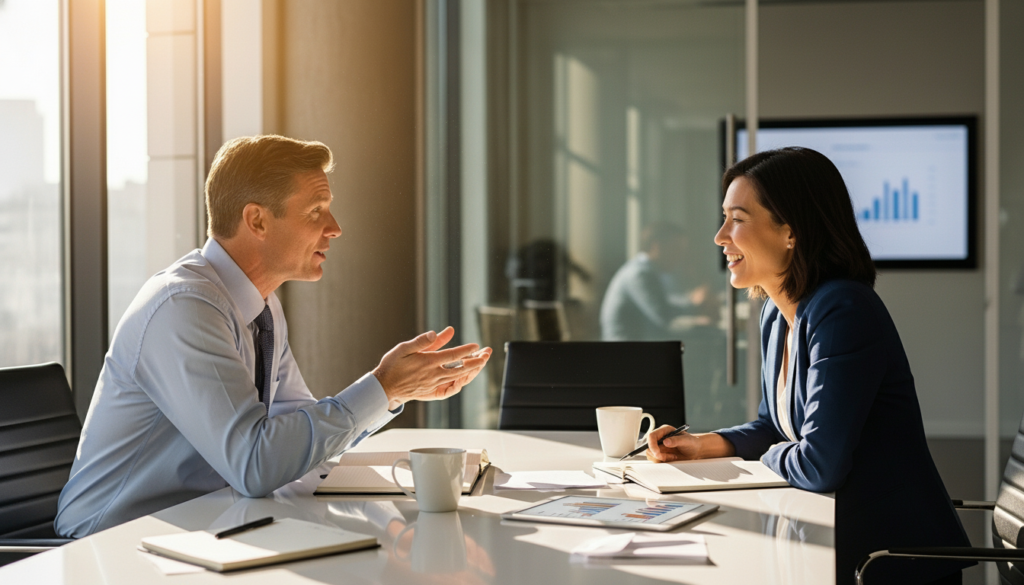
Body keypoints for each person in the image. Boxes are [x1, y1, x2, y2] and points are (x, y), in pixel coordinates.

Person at [56, 135, 491, 538]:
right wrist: (383, 385)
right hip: (111, 544)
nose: (335, 227)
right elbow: (256, 464)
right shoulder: (184, 306)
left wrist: (394, 393)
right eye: (315, 211)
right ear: (257, 220)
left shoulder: (260, 305)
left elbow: (294, 434)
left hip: (200, 527)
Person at [645, 147, 971, 585]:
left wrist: (769, 455)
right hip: (837, 539)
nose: (720, 236)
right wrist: (705, 445)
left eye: (737, 219)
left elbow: (819, 464)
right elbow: (775, 426)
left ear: (790, 232)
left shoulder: (843, 309)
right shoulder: (775, 315)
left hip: (888, 559)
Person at [600, 222, 713, 341]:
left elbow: (666, 302)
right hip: (624, 352)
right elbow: (663, 314)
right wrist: (694, 304)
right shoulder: (640, 274)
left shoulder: (650, 272)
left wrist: (691, 300)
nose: (680, 257)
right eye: (676, 249)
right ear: (656, 246)